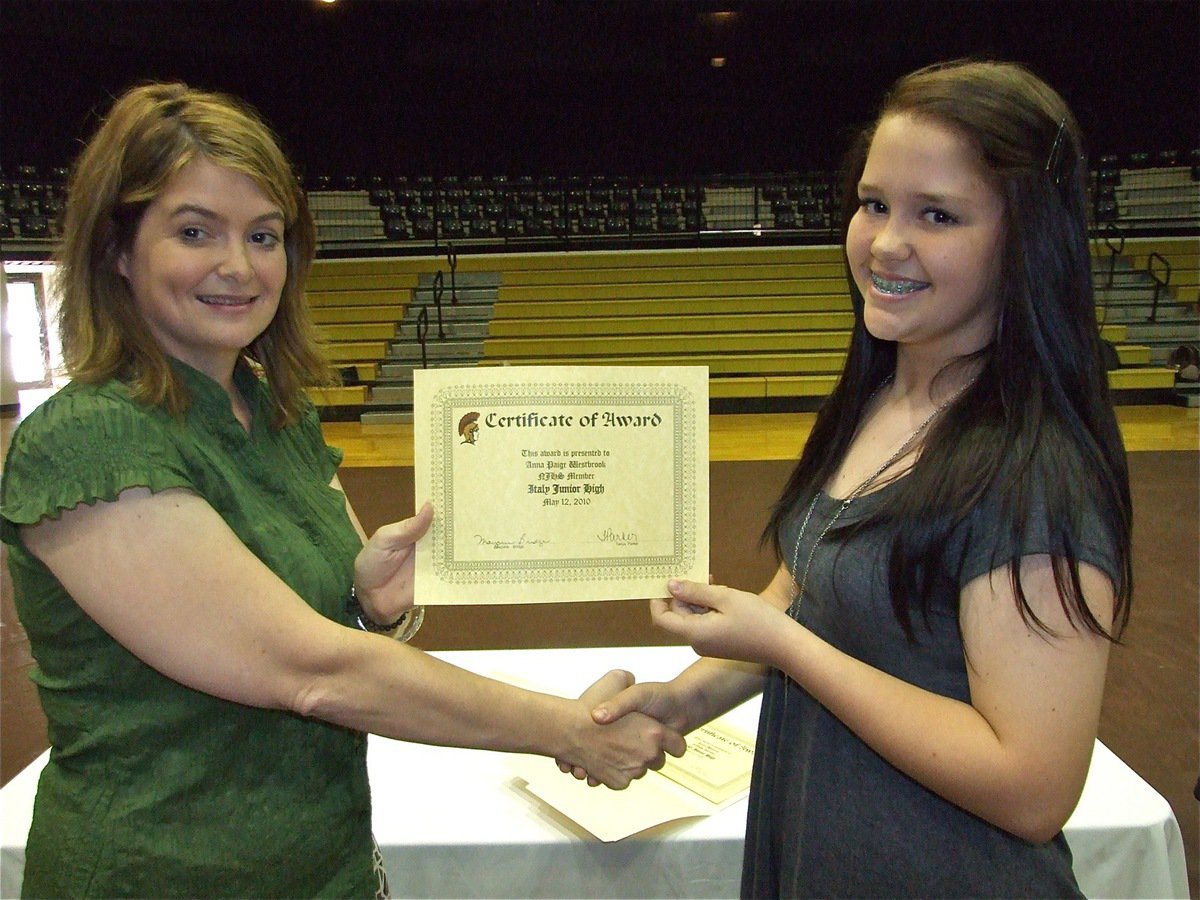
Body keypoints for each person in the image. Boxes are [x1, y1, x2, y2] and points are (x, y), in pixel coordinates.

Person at [0, 82, 684, 900]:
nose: (238, 266)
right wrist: (569, 730)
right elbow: (314, 671)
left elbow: (332, 639)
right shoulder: (91, 442)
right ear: (118, 248)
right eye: (194, 231)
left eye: (263, 235)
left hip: (328, 867)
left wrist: (369, 604)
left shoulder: (275, 410)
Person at [576, 59, 1132, 897]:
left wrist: (785, 648)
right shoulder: (879, 398)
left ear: (1026, 237)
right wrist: (684, 701)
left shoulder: (1037, 474)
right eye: (874, 204)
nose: (885, 242)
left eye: (937, 214)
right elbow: (806, 591)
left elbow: (1031, 789)